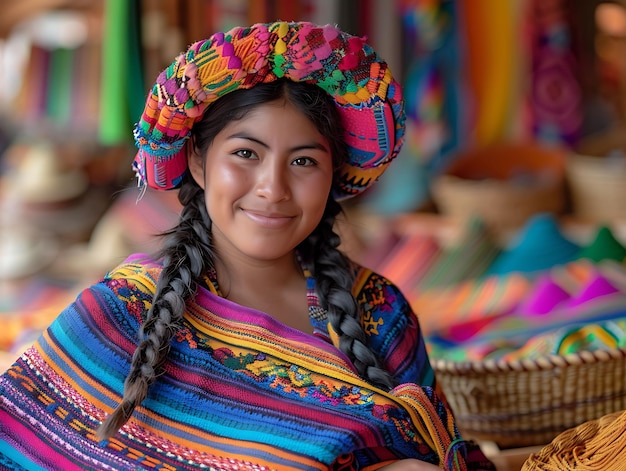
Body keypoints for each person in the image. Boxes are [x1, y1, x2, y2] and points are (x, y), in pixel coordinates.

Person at [0, 21, 495, 471]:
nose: (272, 188)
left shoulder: (381, 313)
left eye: (303, 162)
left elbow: (440, 449)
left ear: (332, 177)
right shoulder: (119, 316)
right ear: (197, 160)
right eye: (245, 153)